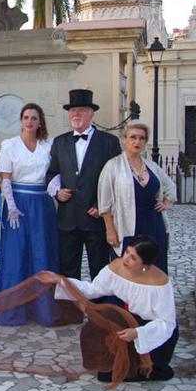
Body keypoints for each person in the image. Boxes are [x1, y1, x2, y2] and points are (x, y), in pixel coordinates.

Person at [38, 236, 179, 383]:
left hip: (149, 327)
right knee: (104, 369)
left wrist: (137, 333)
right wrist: (60, 280)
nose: (126, 259)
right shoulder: (117, 267)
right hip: (127, 319)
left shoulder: (159, 283)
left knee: (142, 370)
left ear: (145, 264)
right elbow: (94, 289)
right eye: (127, 253)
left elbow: (167, 322)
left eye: (133, 258)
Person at [0, 103, 60, 326]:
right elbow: (6, 178)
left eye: (34, 118)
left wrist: (56, 189)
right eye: (26, 117)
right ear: (21, 121)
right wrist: (11, 205)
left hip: (41, 204)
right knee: (16, 254)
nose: (30, 122)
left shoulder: (49, 145)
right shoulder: (10, 145)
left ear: (40, 121)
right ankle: (13, 311)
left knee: (42, 253)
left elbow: (55, 174)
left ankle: (42, 310)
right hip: (17, 203)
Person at [46, 89, 122, 280]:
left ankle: (99, 307)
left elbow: (117, 178)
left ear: (92, 114)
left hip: (95, 217)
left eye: (81, 110)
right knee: (68, 268)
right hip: (68, 216)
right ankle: (71, 307)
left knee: (99, 268)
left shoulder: (109, 142)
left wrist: (102, 206)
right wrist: (57, 192)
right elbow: (51, 174)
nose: (76, 114)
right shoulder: (60, 142)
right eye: (72, 111)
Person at [98, 121, 176, 273]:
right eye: (133, 137)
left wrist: (166, 202)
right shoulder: (113, 166)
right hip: (127, 226)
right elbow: (104, 202)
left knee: (154, 267)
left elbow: (170, 186)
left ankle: (153, 297)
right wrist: (110, 230)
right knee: (127, 269)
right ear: (125, 140)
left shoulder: (151, 166)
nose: (137, 141)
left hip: (153, 224)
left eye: (141, 138)